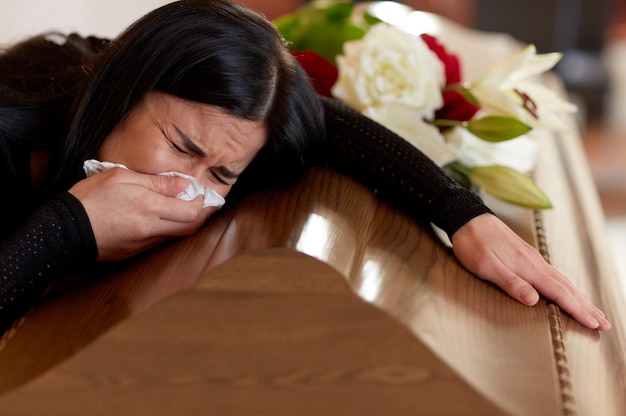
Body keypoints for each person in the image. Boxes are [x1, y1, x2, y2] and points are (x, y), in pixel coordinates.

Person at [0, 0, 610, 334]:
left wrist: (462, 215)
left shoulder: (229, 138)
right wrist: (69, 228)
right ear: (120, 92)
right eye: (182, 147)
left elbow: (329, 127)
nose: (187, 187)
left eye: (221, 176)